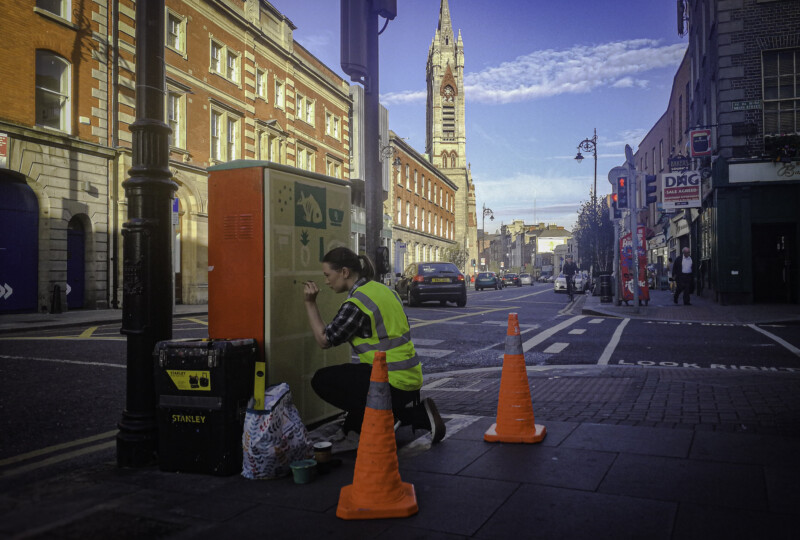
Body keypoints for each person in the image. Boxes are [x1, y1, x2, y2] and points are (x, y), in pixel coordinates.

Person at [303, 247, 445, 446]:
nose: (326, 281)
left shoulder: (357, 302)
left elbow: (325, 340)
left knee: (322, 380)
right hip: (410, 379)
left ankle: (406, 416)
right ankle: (371, 420)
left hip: (390, 382)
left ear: (344, 272)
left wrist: (310, 303)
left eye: (328, 275)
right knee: (351, 380)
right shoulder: (384, 291)